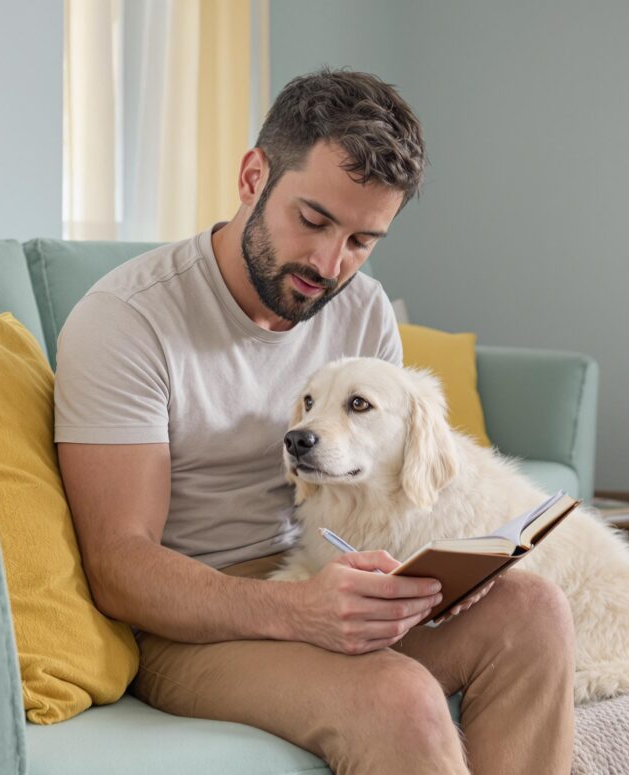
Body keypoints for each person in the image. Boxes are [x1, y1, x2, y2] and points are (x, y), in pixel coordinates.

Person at [54, 68, 576, 775]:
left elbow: (386, 489)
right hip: (191, 629)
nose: (331, 265)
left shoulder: (362, 310)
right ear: (252, 176)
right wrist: (298, 609)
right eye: (314, 220)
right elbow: (119, 568)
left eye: (363, 240)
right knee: (400, 699)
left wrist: (427, 575)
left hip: (321, 574)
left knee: (532, 608)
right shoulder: (128, 321)